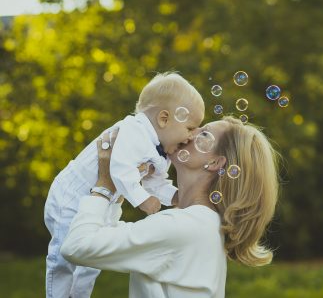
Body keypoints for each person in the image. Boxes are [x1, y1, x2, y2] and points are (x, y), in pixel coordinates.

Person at [61, 116, 280, 298]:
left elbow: (78, 246)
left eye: (203, 134)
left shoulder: (182, 227)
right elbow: (103, 235)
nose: (190, 133)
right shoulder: (198, 223)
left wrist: (105, 183)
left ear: (215, 163)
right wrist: (121, 187)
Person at [44, 72, 205, 298]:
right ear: (164, 119)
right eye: (190, 128)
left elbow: (156, 184)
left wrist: (177, 197)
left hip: (102, 203)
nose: (190, 137)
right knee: (63, 255)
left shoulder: (161, 151)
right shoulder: (134, 131)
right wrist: (142, 200)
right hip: (70, 196)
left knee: (92, 260)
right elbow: (120, 168)